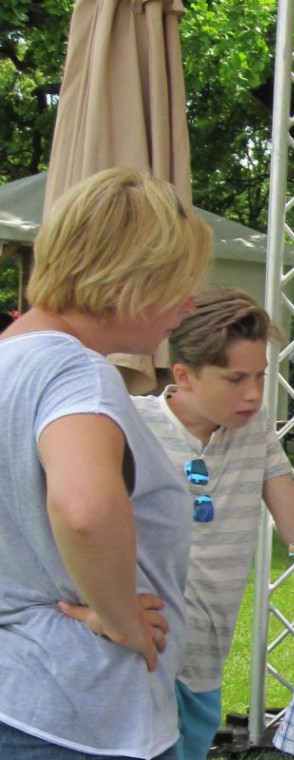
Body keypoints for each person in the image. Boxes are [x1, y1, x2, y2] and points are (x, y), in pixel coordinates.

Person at [0, 168, 213, 757]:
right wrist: (120, 619)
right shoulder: (77, 372)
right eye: (179, 284)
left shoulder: (11, 360)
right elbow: (85, 508)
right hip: (84, 713)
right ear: (128, 281)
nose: (188, 304)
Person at [117, 288, 294, 760]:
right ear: (184, 375)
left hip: (205, 661)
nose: (253, 393)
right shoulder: (129, 424)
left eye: (260, 376)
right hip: (138, 657)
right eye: (234, 379)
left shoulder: (256, 431)